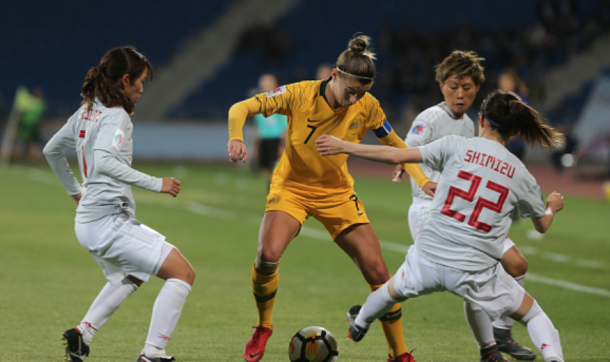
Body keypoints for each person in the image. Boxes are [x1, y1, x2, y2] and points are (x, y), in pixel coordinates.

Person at [227, 34, 435, 362]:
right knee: (267, 254)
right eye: (350, 91)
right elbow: (241, 107)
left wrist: (421, 179)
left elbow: (397, 143)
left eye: (361, 93)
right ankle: (263, 326)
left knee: (380, 274)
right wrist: (236, 137)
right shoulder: (299, 94)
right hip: (291, 188)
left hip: (337, 194)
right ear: (334, 76)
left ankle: (400, 354)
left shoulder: (368, 106)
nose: (354, 100)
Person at [317, 89, 565, 362]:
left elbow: (394, 155)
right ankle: (552, 358)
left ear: (481, 120)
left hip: (428, 259)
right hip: (475, 270)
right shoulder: (521, 173)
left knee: (389, 291)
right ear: (515, 132)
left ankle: (360, 323)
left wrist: (344, 146)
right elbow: (541, 225)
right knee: (533, 315)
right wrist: (553, 204)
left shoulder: (456, 145)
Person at [43, 46, 194, 362]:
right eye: (140, 82)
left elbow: (51, 151)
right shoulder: (117, 117)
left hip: (87, 223)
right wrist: (158, 184)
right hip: (108, 223)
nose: (141, 89)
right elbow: (104, 161)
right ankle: (153, 353)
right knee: (182, 273)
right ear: (125, 80)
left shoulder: (86, 111)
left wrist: (75, 192)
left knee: (133, 274)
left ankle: (82, 334)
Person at [394, 52, 537, 360]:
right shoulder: (429, 118)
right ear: (441, 85)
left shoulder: (471, 125)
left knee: (516, 266)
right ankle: (490, 349)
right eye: (454, 86)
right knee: (470, 280)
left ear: (478, 89)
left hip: (464, 213)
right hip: (432, 213)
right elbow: (406, 149)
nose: (460, 94)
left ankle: (499, 337)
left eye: (468, 88)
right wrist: (413, 174)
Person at [251, 74, 287, 187]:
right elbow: (258, 126)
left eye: (267, 81)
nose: (264, 84)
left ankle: (279, 192)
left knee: (277, 168)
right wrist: (256, 146)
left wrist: (283, 144)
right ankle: (270, 190)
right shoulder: (258, 103)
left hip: (276, 139)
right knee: (266, 169)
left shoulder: (280, 101)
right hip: (264, 139)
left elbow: (284, 125)